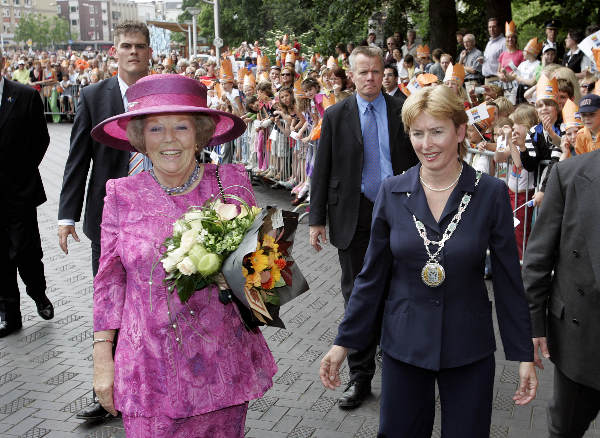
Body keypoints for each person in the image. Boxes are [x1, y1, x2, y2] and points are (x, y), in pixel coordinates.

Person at [320, 85, 538, 437]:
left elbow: (509, 281)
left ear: (460, 131)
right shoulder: (392, 191)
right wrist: (343, 343)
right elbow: (371, 279)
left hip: (468, 348)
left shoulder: (490, 194)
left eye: (437, 131)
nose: (426, 144)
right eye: (417, 133)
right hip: (404, 345)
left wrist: (523, 353)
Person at [90, 73, 276, 437]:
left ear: (201, 133)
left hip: (221, 367)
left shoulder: (231, 184)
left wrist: (238, 272)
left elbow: (267, 274)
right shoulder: (121, 194)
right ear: (141, 138)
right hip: (148, 372)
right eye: (156, 129)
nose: (169, 139)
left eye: (181, 126)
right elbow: (109, 281)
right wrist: (102, 361)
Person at [309, 46, 418, 409]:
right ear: (351, 76)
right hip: (352, 216)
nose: (370, 78)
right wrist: (317, 219)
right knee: (357, 296)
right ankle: (360, 377)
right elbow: (321, 169)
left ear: (384, 73)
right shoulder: (336, 115)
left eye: (375, 71)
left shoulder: (403, 110)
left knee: (400, 293)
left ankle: (402, 371)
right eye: (363, 72)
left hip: (399, 213)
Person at [57, 21, 153, 420]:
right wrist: (67, 216)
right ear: (114, 51)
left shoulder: (162, 93)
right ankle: (107, 392)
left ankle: (154, 380)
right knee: (111, 302)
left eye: (140, 46)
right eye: (126, 46)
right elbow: (78, 157)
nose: (133, 52)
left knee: (155, 300)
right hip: (108, 219)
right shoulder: (94, 96)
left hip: (158, 213)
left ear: (149, 52)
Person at [522, 150, 600, 438]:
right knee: (565, 429)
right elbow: (539, 256)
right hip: (580, 340)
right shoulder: (569, 174)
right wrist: (534, 324)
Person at [0, 52, 53, 338]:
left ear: (3, 64)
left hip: (20, 191)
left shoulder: (24, 96)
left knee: (26, 252)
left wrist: (22, 172)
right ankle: (10, 315)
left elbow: (41, 139)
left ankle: (38, 293)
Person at [482, 17, 506, 85]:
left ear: (499, 28)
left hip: (497, 79)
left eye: (494, 27)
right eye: (489, 27)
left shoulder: (504, 42)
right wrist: (482, 61)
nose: (491, 29)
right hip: (487, 79)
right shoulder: (489, 43)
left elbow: (505, 62)